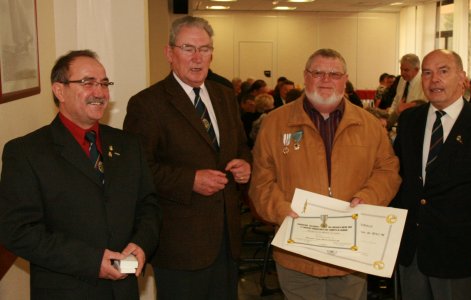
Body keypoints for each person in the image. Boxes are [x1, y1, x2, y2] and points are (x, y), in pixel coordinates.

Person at [0, 50, 162, 300]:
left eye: (104, 83)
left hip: (124, 291)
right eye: (88, 83)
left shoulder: (128, 145)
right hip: (67, 290)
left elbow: (149, 205)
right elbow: (18, 232)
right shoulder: (25, 153)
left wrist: (142, 244)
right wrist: (92, 261)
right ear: (59, 90)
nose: (100, 92)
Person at [249, 48, 401, 300]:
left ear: (345, 79)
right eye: (318, 73)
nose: (326, 79)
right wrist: (280, 209)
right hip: (297, 253)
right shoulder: (275, 123)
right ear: (305, 77)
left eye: (334, 74)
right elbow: (261, 180)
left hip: (351, 255)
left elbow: (387, 171)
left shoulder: (370, 125)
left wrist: (367, 198)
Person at [123, 16, 252, 300]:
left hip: (227, 239)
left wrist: (245, 164)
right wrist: (189, 180)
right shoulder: (147, 104)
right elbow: (138, 170)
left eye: (204, 49)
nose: (197, 57)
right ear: (169, 53)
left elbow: (241, 145)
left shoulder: (225, 95)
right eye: (188, 48)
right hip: (181, 245)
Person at [392, 49, 471, 300]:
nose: (434, 80)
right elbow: (397, 177)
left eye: (443, 71)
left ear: (462, 78)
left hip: (460, 254)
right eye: (428, 73)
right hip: (412, 250)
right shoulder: (410, 121)